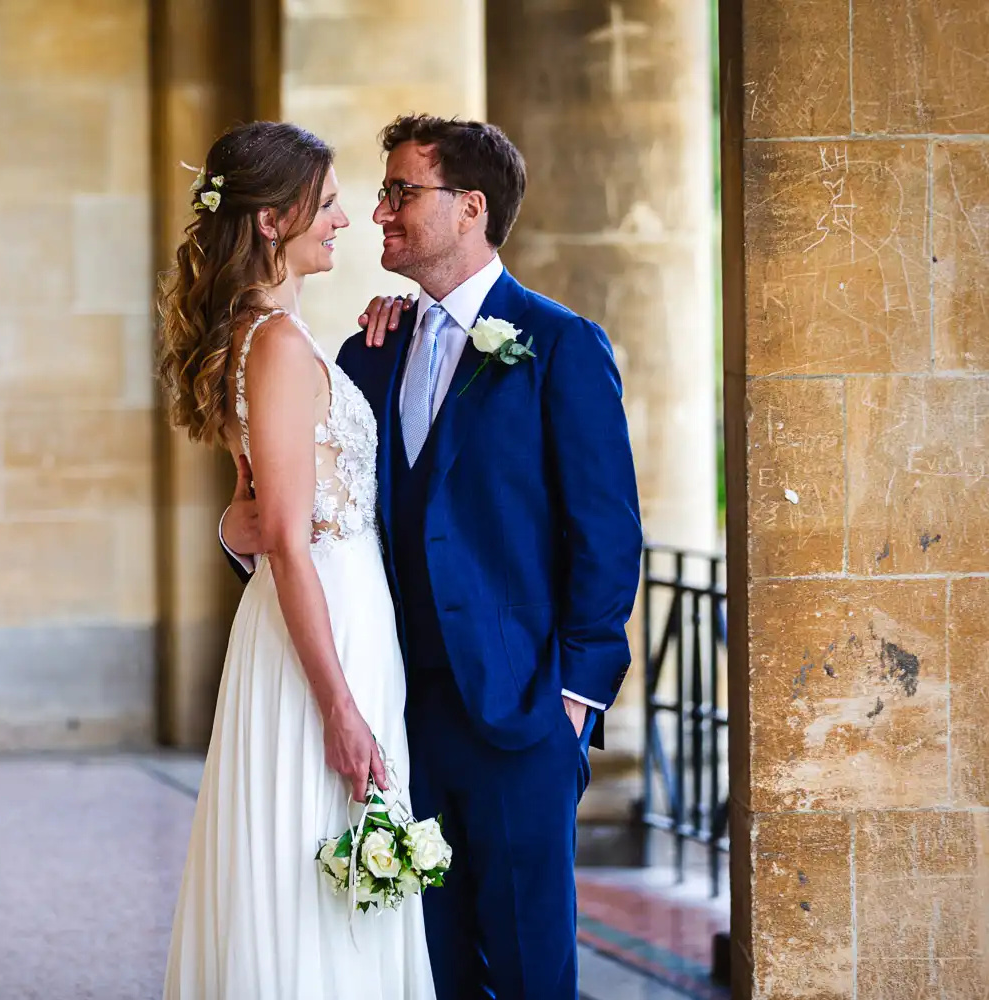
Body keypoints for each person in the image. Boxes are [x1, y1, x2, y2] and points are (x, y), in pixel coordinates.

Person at [222, 115, 643, 999]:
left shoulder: (561, 346)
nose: (379, 213)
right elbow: (313, 518)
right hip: (398, 715)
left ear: (470, 208)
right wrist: (240, 542)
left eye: (402, 193)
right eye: (379, 195)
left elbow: (607, 538)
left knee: (533, 971)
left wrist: (570, 705)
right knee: (425, 968)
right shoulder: (364, 357)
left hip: (521, 718)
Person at [158, 121, 436, 1000]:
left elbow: (269, 516)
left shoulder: (278, 334)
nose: (346, 220)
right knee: (314, 870)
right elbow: (282, 534)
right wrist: (338, 707)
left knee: (332, 867)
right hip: (321, 639)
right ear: (273, 222)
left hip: (337, 616)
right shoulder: (274, 344)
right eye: (327, 204)